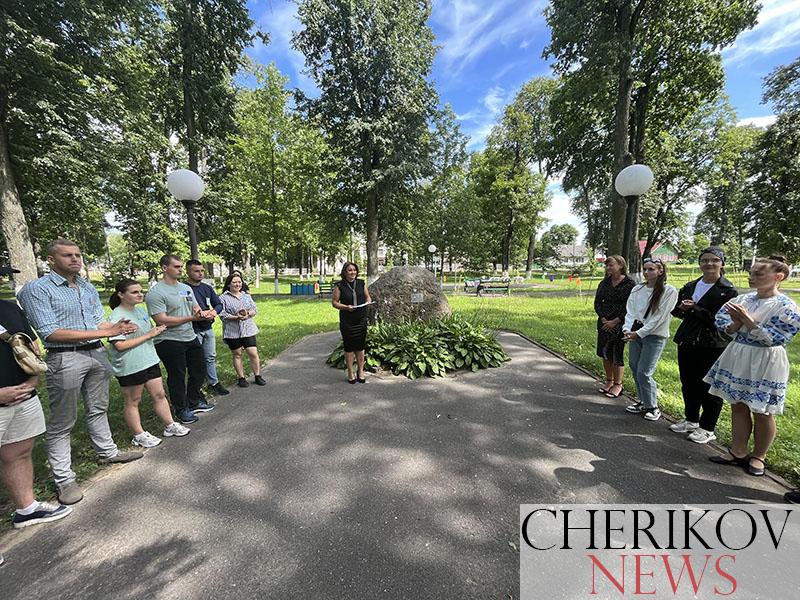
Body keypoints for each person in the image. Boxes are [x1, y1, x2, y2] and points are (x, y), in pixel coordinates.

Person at [17, 240, 143, 505]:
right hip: (65, 357)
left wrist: (117, 327)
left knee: (98, 408)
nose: (75, 259)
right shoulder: (37, 289)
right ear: (51, 260)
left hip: (96, 352)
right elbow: (49, 332)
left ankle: (107, 452)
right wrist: (106, 332)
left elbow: (98, 322)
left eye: (78, 254)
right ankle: (64, 479)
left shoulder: (86, 286)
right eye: (67, 255)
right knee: (63, 420)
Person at [705, 255, 800, 477]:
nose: (752, 277)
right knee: (738, 404)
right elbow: (722, 324)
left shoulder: (786, 306)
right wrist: (736, 324)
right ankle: (738, 451)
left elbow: (777, 338)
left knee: (762, 410)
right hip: (739, 353)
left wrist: (747, 321)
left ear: (778, 277)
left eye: (759, 273)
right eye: (751, 272)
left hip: (766, 359)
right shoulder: (743, 299)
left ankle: (759, 456)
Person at [1, 265, 72, 546]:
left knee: (19, 451)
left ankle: (26, 508)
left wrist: (32, 381)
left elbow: (32, 347)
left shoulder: (9, 308)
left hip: (23, 394)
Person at [107, 279, 191, 448]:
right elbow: (120, 345)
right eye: (134, 292)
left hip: (149, 360)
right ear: (121, 294)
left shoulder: (140, 310)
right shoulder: (117, 317)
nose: (140, 295)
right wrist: (149, 335)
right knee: (133, 400)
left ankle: (170, 425)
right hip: (130, 364)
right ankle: (138, 435)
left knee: (159, 394)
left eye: (141, 291)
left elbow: (147, 332)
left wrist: (156, 331)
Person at [669, 248, 737, 444]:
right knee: (688, 382)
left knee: (709, 386)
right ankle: (691, 419)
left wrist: (695, 308)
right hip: (688, 339)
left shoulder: (728, 290)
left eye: (714, 260)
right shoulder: (690, 286)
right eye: (705, 260)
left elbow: (720, 320)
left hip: (712, 343)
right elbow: (677, 312)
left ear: (722, 263)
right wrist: (682, 309)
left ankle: (707, 428)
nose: (709, 264)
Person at [145, 255, 216, 426]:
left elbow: (195, 307)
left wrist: (202, 313)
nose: (180, 270)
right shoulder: (156, 293)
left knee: (199, 370)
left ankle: (194, 401)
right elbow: (161, 319)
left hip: (189, 336)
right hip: (168, 340)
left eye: (181, 266)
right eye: (176, 267)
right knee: (177, 375)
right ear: (164, 268)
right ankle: (181, 408)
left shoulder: (185, 288)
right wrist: (191, 318)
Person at [622, 258, 678, 422]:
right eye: (645, 269)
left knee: (644, 371)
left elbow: (659, 318)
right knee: (634, 367)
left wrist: (639, 333)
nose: (647, 272)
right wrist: (627, 329)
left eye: (651, 269)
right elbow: (630, 311)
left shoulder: (669, 291)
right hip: (635, 333)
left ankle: (652, 406)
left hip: (654, 336)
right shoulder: (637, 289)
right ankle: (643, 401)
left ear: (660, 271)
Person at [185, 260, 229, 397]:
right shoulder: (183, 289)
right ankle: (196, 387)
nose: (200, 273)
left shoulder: (207, 288)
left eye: (202, 271)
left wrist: (213, 312)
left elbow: (218, 304)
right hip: (192, 329)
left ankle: (213, 383)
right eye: (196, 271)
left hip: (207, 327)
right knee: (194, 360)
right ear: (188, 272)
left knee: (210, 356)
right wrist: (198, 314)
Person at [593, 255, 635, 398]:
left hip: (620, 324)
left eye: (612, 265)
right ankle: (609, 381)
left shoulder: (629, 284)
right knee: (604, 353)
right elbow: (598, 302)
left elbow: (630, 306)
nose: (609, 268)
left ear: (621, 265)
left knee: (616, 353)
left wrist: (616, 321)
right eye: (607, 265)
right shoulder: (604, 283)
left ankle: (618, 384)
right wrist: (604, 318)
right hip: (604, 323)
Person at [219, 273, 265, 388]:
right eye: (234, 282)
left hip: (248, 329)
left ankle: (258, 376)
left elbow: (255, 309)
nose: (237, 284)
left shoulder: (246, 296)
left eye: (239, 282)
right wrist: (236, 317)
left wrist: (248, 313)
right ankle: (241, 378)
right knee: (237, 354)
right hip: (232, 331)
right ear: (229, 284)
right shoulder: (223, 298)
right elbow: (222, 314)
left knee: (253, 352)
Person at [331, 262, 372, 384]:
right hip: (347, 321)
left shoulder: (361, 283)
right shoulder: (339, 286)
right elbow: (334, 302)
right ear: (345, 272)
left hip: (361, 319)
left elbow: (367, 297)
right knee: (349, 348)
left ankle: (360, 371)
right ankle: (350, 372)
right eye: (350, 270)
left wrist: (368, 301)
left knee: (360, 347)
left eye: (354, 270)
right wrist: (346, 307)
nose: (352, 272)